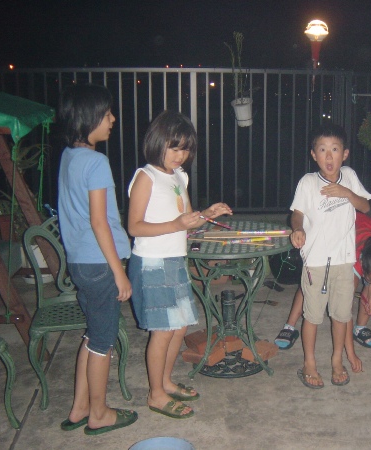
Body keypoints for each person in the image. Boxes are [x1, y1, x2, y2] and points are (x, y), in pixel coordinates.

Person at [127, 110, 232, 419]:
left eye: (185, 149)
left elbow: (187, 220)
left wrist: (207, 214)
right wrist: (176, 224)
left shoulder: (179, 177)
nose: (180, 155)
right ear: (157, 142)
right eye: (174, 147)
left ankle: (165, 381)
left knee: (180, 324)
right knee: (162, 330)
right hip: (151, 262)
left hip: (175, 259)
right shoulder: (145, 177)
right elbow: (134, 226)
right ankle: (155, 394)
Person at [57, 84, 138, 435]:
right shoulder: (96, 162)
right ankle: (99, 413)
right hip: (102, 264)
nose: (112, 119)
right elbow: (99, 221)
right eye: (106, 114)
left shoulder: (69, 157)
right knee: (103, 341)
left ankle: (79, 408)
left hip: (80, 263)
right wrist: (120, 273)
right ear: (88, 117)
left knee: (92, 336)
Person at [290, 123, 371, 389]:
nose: (329, 156)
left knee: (341, 315)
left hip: (344, 261)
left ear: (344, 154)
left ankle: (337, 360)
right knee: (313, 316)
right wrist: (298, 229)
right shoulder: (308, 182)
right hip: (315, 261)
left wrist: (347, 193)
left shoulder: (349, 176)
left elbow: (365, 206)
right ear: (314, 154)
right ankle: (309, 363)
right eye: (322, 150)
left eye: (334, 150)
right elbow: (297, 213)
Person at [274, 212, 371, 370]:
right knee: (311, 285)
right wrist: (351, 353)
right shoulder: (352, 261)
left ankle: (361, 328)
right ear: (362, 265)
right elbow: (344, 313)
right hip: (331, 236)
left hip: (361, 237)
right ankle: (289, 326)